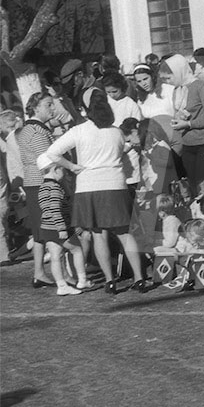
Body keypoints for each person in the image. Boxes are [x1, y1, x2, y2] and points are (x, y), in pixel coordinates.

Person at [43, 89, 149, 294]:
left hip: (88, 187)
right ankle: (139, 278)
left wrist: (71, 166)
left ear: (86, 110)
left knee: (99, 235)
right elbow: (122, 150)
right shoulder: (116, 132)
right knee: (125, 234)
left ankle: (110, 281)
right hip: (115, 185)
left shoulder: (79, 131)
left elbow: (52, 152)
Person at [160, 55, 204, 188]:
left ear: (179, 72)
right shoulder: (178, 90)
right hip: (188, 144)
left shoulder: (202, 88)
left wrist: (188, 124)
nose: (168, 82)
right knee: (192, 183)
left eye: (169, 78)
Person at [17, 93, 56, 287]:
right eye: (48, 104)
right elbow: (47, 159)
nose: (52, 108)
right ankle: (62, 275)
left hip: (34, 182)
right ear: (36, 108)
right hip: (42, 182)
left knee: (40, 231)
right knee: (51, 229)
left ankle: (39, 272)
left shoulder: (31, 129)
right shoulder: (35, 130)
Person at [35, 158, 86, 294]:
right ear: (55, 170)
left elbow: (45, 208)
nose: (64, 173)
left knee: (55, 257)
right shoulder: (55, 187)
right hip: (58, 227)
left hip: (46, 227)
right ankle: (82, 280)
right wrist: (62, 227)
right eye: (62, 169)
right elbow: (55, 209)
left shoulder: (42, 188)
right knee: (77, 250)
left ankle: (62, 286)